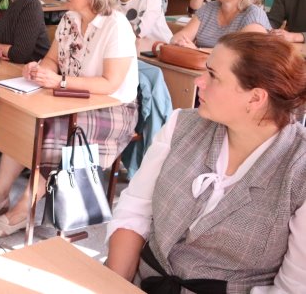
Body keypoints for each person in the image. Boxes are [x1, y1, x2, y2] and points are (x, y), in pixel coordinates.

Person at [106, 33, 306, 292]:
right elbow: (135, 211)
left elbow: (292, 287)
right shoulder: (182, 125)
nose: (199, 81)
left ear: (255, 98)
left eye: (212, 75)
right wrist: (114, 286)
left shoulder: (298, 169)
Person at [0, 0, 138, 235]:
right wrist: (39, 70)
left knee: (53, 131)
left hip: (112, 108)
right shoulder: (69, 19)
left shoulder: (116, 26)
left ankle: (23, 209)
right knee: (23, 119)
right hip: (69, 98)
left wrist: (60, 81)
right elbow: (53, 60)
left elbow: (110, 83)